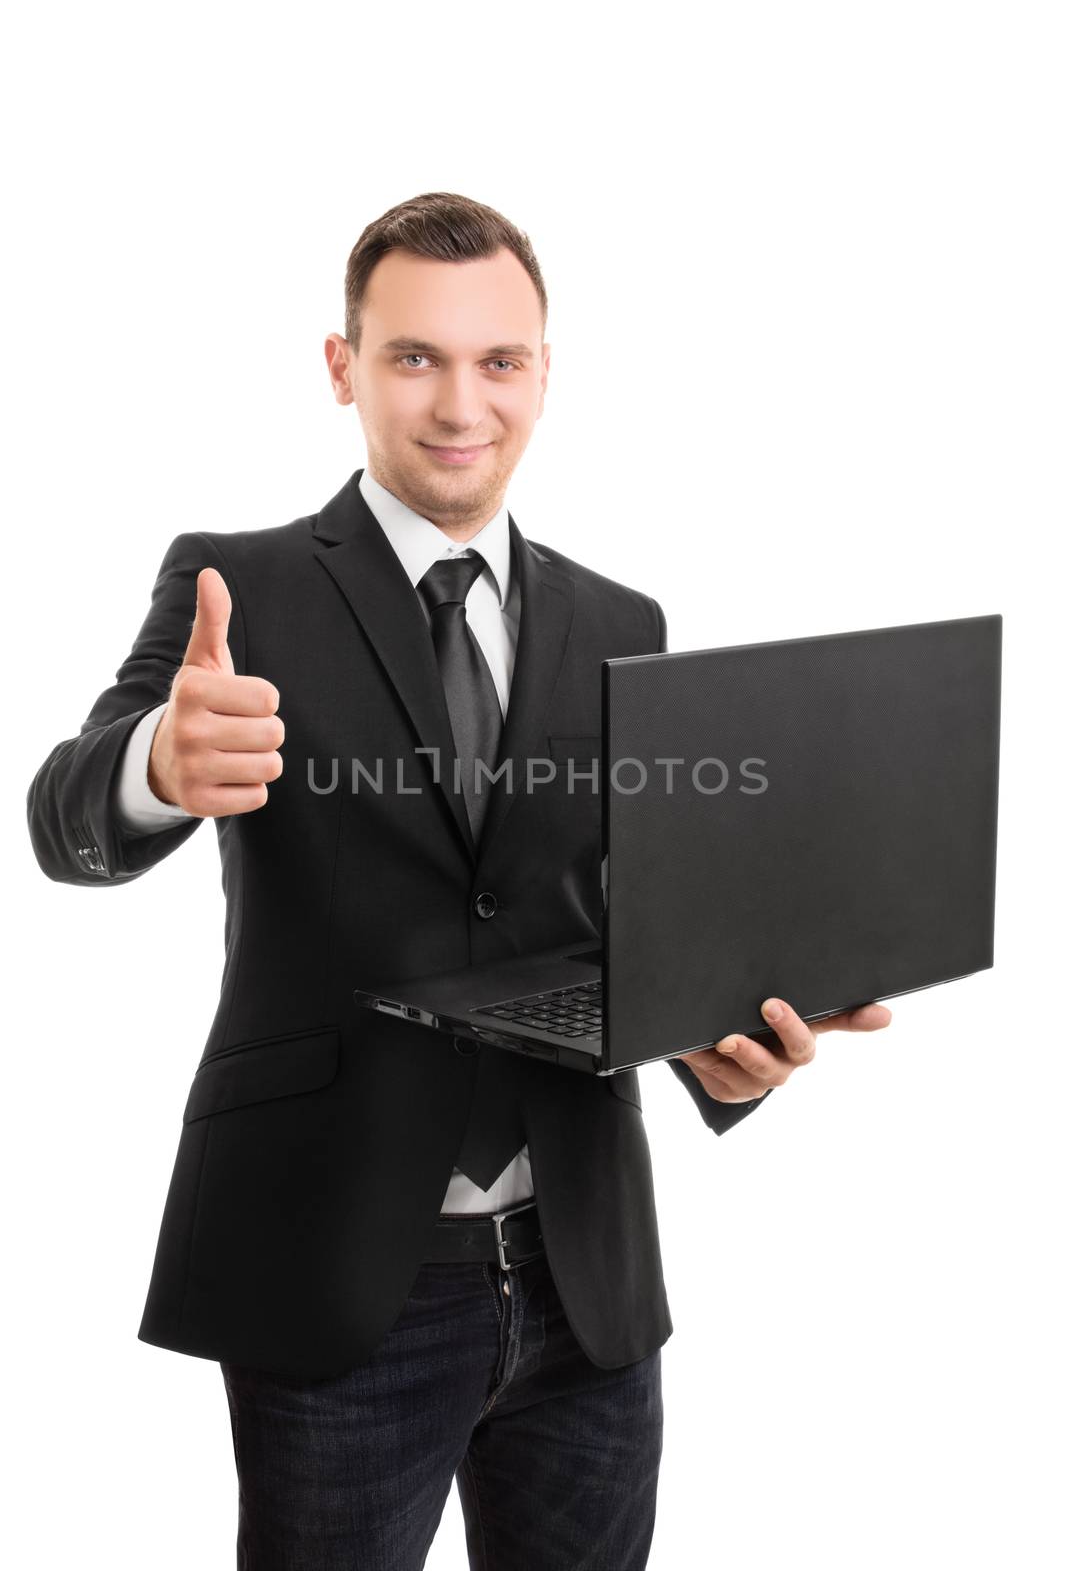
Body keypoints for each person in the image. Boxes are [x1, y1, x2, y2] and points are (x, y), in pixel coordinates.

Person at [26, 190, 891, 1570]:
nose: (458, 401)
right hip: (343, 1267)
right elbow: (62, 818)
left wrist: (717, 1053)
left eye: (499, 360)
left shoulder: (624, 621)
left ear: (546, 373)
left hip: (586, 1271)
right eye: (414, 356)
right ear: (342, 366)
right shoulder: (234, 587)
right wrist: (151, 764)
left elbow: (625, 912)